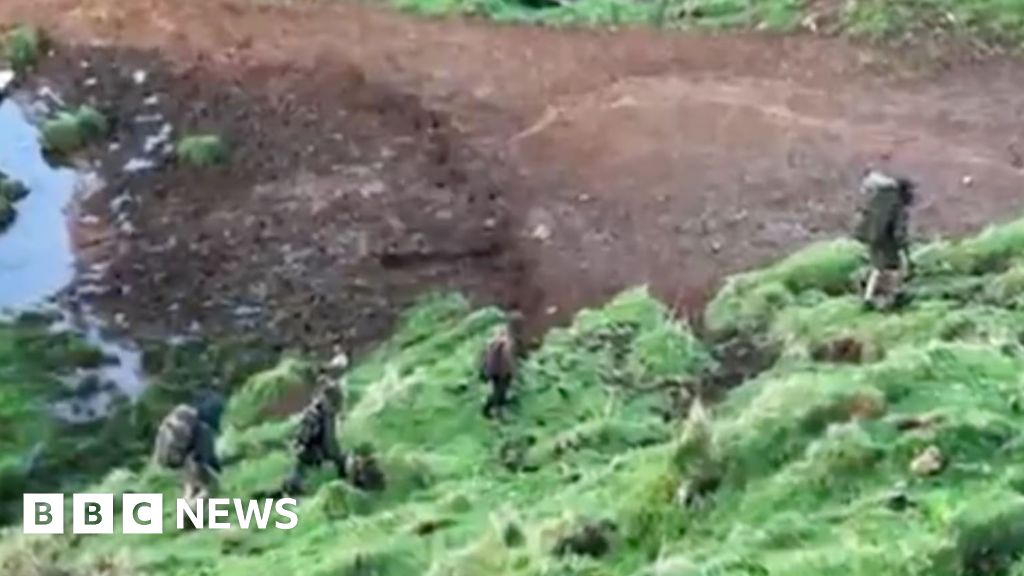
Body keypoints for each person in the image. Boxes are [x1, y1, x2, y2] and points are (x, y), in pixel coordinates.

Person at [854, 170, 915, 310]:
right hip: (887, 240)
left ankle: (869, 296)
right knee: (893, 268)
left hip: (874, 236)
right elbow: (899, 230)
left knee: (878, 267)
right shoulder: (898, 206)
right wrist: (903, 246)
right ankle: (893, 296)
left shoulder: (882, 200)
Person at [153, 392, 224, 501]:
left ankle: (186, 508)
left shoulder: (183, 413)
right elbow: (205, 457)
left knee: (191, 484)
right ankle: (189, 512)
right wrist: (215, 467)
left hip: (168, 454)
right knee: (211, 487)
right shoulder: (202, 429)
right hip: (178, 453)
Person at [282, 377, 348, 494]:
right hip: (311, 450)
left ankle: (292, 485)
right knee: (305, 467)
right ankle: (292, 486)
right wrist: (339, 460)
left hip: (305, 447)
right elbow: (329, 441)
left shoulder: (316, 409)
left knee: (302, 469)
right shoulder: (325, 414)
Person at [480, 324, 517, 419]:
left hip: (494, 371)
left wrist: (484, 369)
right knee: (500, 391)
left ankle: (497, 408)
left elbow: (485, 359)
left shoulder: (491, 345)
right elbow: (507, 359)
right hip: (501, 371)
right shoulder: (503, 345)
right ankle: (491, 409)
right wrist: (512, 370)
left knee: (498, 390)